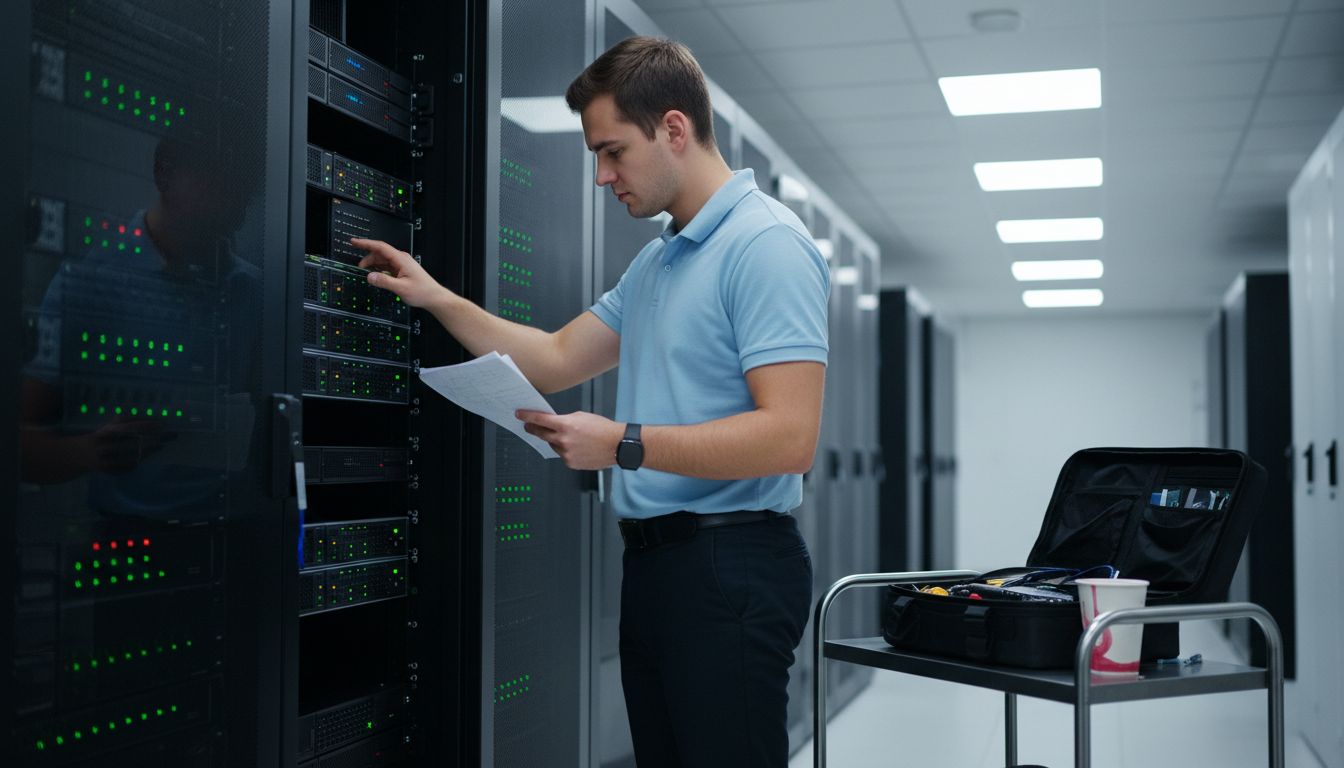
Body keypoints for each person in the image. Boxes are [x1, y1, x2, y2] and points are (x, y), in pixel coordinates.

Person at [352, 36, 828, 767]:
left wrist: (623, 443)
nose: (604, 177)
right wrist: (432, 294)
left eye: (613, 152)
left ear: (674, 129)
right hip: (656, 567)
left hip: (732, 563)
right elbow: (554, 357)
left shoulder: (766, 246)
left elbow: (790, 437)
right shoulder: (660, 259)